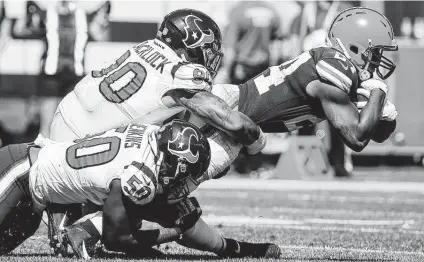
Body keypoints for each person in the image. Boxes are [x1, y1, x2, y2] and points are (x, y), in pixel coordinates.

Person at [59, 6, 399, 259]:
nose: (381, 62)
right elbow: (355, 138)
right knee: (164, 188)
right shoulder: (333, 71)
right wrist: (379, 92)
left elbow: (376, 132)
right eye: (376, 54)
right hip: (233, 123)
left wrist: (381, 109)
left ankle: (91, 221)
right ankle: (84, 227)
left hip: (233, 106)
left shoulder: (334, 66)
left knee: (166, 190)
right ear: (356, 48)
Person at [13, 0, 111, 138]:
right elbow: (19, 30)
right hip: (50, 75)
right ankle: (42, 157)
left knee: (72, 124)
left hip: (74, 75)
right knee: (47, 124)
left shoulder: (84, 16)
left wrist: (104, 20)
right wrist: (26, 14)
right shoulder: (47, 14)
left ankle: (65, 157)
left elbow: (101, 37)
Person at [285, 0, 360, 177]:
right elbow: (296, 43)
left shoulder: (344, 11)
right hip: (309, 73)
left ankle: (339, 164)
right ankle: (305, 163)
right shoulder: (304, 14)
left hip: (334, 72)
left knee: (338, 119)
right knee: (304, 118)